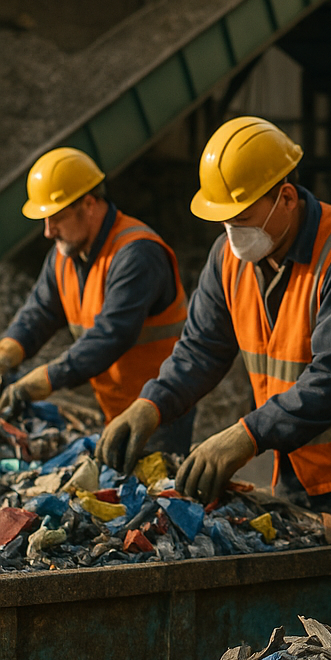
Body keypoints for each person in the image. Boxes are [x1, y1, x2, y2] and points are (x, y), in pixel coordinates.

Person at [96, 116, 331, 621]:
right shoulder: (230, 258)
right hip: (296, 454)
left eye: (243, 213)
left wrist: (243, 436)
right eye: (224, 218)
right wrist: (151, 403)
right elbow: (201, 350)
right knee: (306, 606)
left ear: (287, 199)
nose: (233, 230)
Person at [0, 147, 192, 453]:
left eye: (57, 219)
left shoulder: (137, 254)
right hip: (115, 407)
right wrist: (9, 349)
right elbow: (39, 312)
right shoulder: (66, 254)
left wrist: (49, 377)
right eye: (45, 220)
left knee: (157, 493)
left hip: (159, 411)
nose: (48, 232)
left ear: (88, 204)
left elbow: (112, 334)